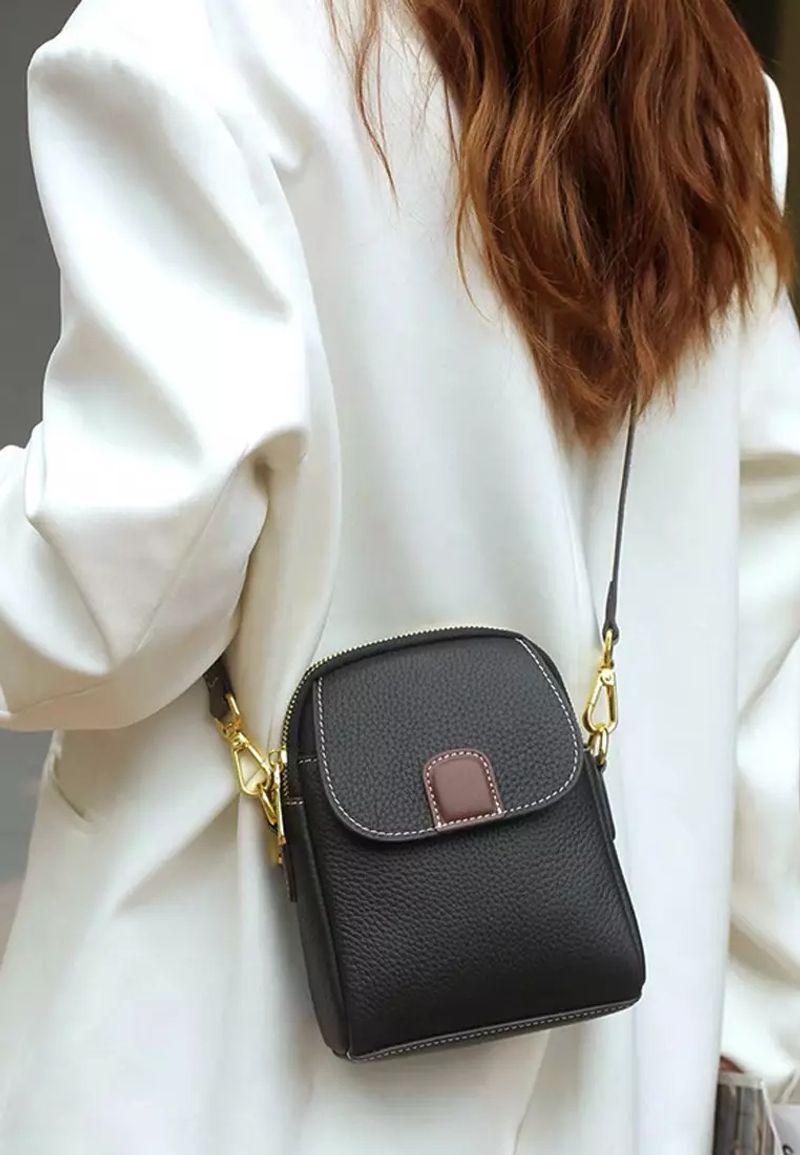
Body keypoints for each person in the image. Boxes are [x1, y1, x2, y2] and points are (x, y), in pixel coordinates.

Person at [0, 0, 798, 1151]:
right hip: (609, 1068)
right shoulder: (700, 83)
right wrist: (752, 1043)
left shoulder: (197, 39)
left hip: (221, 1061)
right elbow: (767, 616)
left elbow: (107, 604)